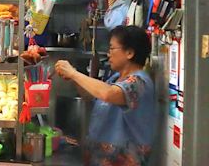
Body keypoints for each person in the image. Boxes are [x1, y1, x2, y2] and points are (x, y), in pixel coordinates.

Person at [55, 25, 155, 166]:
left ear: (130, 53)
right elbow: (91, 96)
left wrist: (73, 73)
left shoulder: (139, 82)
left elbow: (108, 94)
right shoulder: (116, 78)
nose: (109, 54)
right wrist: (74, 78)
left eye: (112, 48)